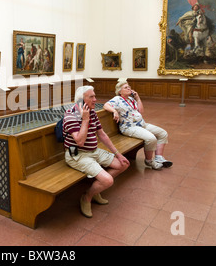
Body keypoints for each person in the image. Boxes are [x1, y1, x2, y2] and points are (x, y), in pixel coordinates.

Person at [63, 86, 130, 218]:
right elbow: (80, 142)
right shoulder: (70, 115)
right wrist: (85, 119)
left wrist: (118, 154)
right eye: (91, 97)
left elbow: (102, 135)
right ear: (82, 101)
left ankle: (96, 189)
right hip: (77, 154)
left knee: (124, 164)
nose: (95, 99)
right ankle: (87, 197)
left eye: (94, 96)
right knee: (108, 181)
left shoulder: (92, 112)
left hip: (93, 151)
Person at [104, 79, 172, 170]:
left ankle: (159, 157)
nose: (129, 88)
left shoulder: (131, 99)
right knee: (151, 138)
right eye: (126, 87)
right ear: (120, 91)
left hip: (141, 124)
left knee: (163, 133)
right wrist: (114, 111)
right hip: (129, 127)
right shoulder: (117, 99)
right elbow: (106, 105)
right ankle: (149, 161)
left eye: (129, 87)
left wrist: (138, 98)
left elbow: (141, 111)